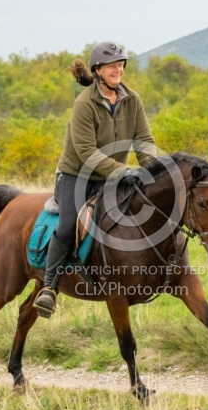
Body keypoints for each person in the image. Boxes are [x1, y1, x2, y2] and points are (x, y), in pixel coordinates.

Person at [33, 41, 157, 317]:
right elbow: (87, 153)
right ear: (98, 70)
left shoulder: (132, 99)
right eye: (112, 65)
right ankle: (50, 288)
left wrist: (150, 167)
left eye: (121, 64)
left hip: (111, 175)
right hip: (76, 175)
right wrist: (124, 171)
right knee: (68, 226)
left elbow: (144, 140)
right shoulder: (84, 103)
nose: (118, 69)